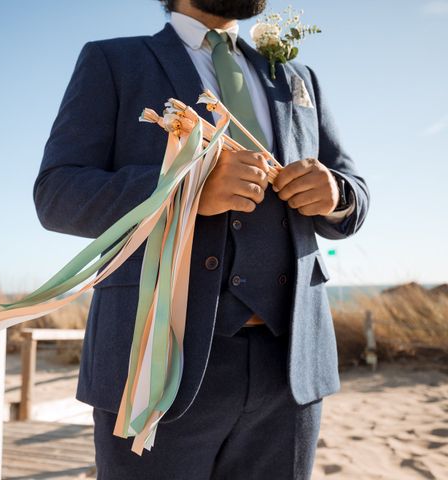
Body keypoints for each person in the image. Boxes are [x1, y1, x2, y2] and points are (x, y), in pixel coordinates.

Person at [33, 0, 370, 478]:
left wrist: (337, 194)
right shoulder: (113, 61)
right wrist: (185, 189)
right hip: (153, 364)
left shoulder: (298, 77)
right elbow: (57, 193)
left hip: (290, 371)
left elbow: (352, 188)